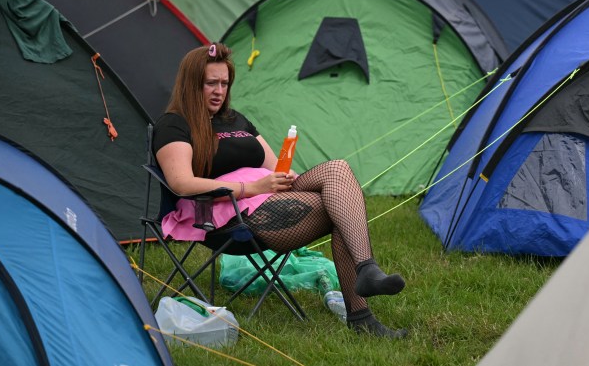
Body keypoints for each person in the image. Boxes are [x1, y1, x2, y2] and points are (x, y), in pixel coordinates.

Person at [152, 42, 407, 338]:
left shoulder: (235, 119)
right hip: (225, 213)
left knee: (338, 171)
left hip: (268, 195)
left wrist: (283, 180)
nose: (219, 91)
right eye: (211, 83)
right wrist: (251, 187)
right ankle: (361, 313)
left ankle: (367, 270)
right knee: (341, 213)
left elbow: (275, 168)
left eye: (224, 83)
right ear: (191, 84)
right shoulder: (174, 125)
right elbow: (181, 182)